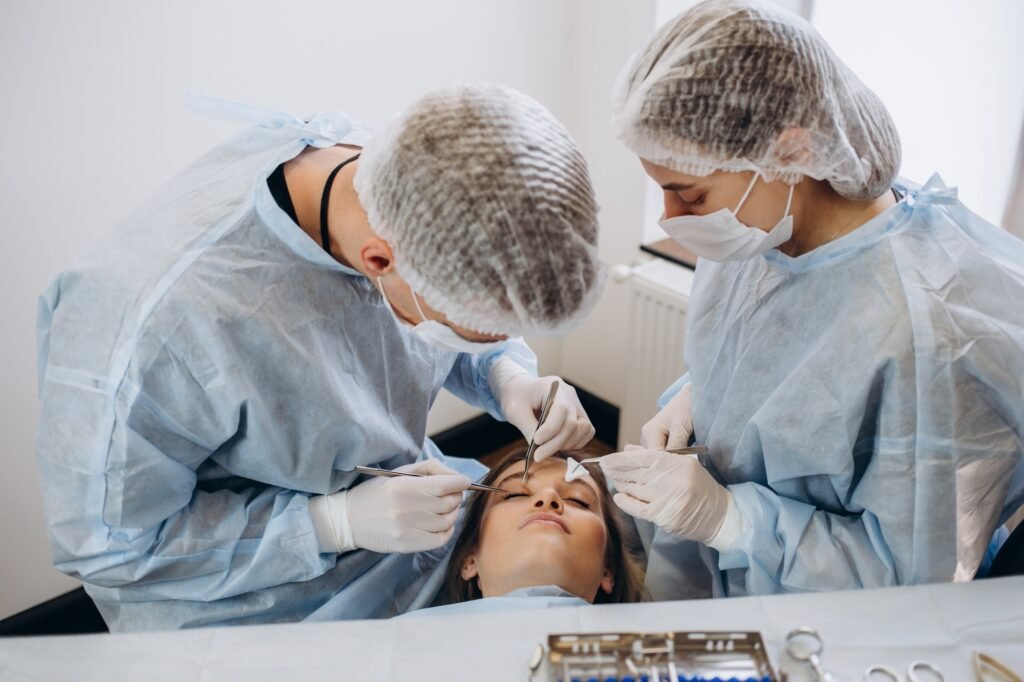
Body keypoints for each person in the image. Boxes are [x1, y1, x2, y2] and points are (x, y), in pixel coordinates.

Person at [35, 84, 604, 631]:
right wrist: (332, 523)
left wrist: (504, 374)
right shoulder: (150, 330)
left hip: (398, 533)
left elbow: (448, 306)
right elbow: (111, 547)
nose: (492, 339)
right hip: (236, 602)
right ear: (378, 262)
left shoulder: (418, 180)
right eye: (477, 332)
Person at [601, 0, 1024, 598]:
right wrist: (693, 401)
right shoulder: (760, 235)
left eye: (689, 197)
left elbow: (909, 580)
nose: (672, 220)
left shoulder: (929, 337)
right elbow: (770, 361)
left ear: (792, 151)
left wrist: (735, 521)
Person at [399, 451, 645, 618]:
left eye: (578, 500)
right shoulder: (397, 650)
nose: (548, 498)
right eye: (515, 494)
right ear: (470, 560)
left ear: (608, 570)